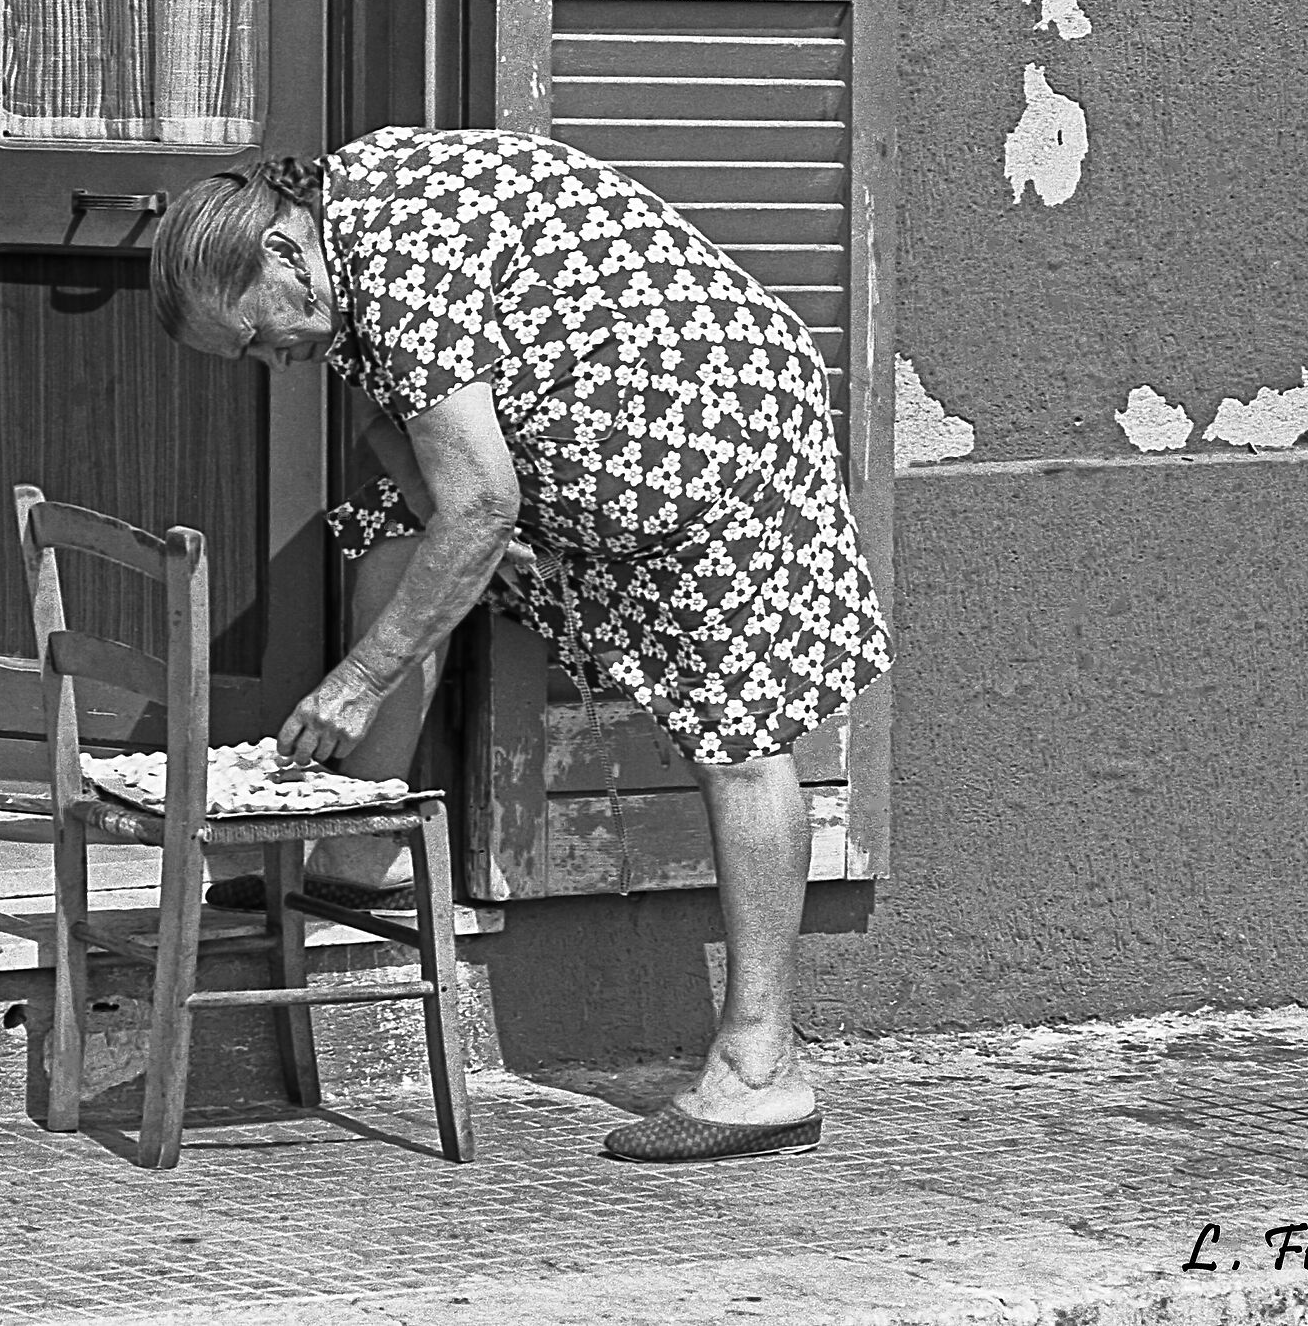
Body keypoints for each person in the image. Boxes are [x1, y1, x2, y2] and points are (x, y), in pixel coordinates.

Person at [147, 127, 892, 1163]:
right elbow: (394, 433)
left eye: (259, 339)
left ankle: (764, 1067)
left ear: (280, 253)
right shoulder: (340, 232)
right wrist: (451, 565)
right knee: (397, 541)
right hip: (594, 461)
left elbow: (483, 498)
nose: (274, 363)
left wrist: (365, 676)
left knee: (740, 734)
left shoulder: (393, 252)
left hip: (720, 437)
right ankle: (365, 855)